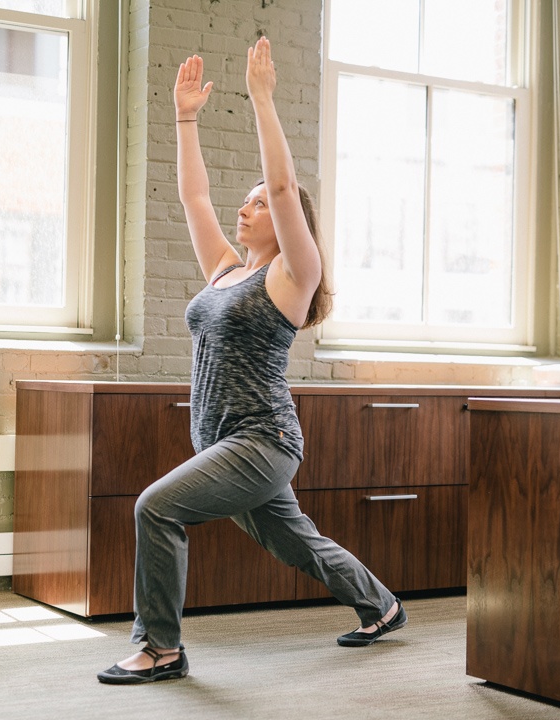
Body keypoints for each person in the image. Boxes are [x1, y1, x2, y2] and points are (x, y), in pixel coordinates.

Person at [97, 37, 404, 685]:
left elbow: (288, 185)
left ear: (289, 221)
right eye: (248, 197)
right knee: (296, 541)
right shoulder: (227, 272)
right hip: (220, 440)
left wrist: (262, 98)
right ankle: (381, 602)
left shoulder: (295, 275)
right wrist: (185, 119)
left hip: (262, 440)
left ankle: (160, 648)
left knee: (156, 507)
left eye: (259, 202)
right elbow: (195, 199)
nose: (246, 205)